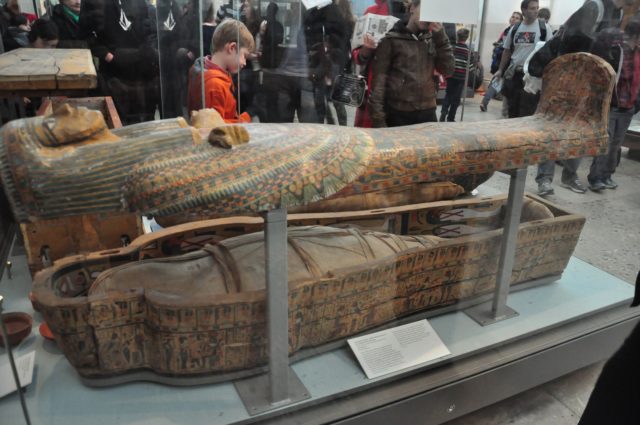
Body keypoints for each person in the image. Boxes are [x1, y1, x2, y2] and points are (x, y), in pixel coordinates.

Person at [369, 0, 454, 127]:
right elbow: (378, 84)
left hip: (428, 112)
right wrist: (378, 121)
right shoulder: (391, 39)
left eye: (431, 13)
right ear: (412, 8)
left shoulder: (434, 40)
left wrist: (441, 39)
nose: (427, 17)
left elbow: (448, 70)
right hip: (398, 113)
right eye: (424, 11)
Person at [79, 0, 160, 124]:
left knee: (146, 117)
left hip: (142, 71)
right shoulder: (97, 3)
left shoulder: (140, 3)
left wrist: (148, 50)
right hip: (114, 71)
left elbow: (150, 30)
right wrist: (107, 55)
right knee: (119, 118)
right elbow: (85, 33)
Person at [588, 18, 640, 191]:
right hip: (613, 105)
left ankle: (607, 175)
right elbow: (607, 76)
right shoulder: (617, 51)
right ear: (636, 35)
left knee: (617, 144)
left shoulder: (638, 53)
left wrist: (636, 102)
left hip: (629, 106)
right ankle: (595, 177)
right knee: (606, 142)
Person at [187, 19, 254, 123]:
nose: (245, 62)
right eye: (244, 56)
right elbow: (216, 128)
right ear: (232, 48)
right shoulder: (215, 85)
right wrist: (246, 117)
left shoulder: (204, 71)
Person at [494, 0, 552, 119]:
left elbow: (550, 52)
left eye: (537, 8)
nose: (536, 11)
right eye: (532, 8)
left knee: (528, 111)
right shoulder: (515, 28)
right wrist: (500, 70)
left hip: (532, 78)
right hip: (515, 74)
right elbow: (507, 50)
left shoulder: (544, 28)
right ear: (524, 10)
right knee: (512, 110)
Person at [481, 11, 523, 113]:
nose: (514, 19)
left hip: (511, 63)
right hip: (502, 62)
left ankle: (486, 102)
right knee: (497, 82)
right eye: (513, 17)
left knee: (498, 83)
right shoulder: (506, 31)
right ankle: (486, 103)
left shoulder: (519, 32)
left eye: (517, 18)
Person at [440, 28, 471, 122]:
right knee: (456, 98)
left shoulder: (453, 48)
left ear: (457, 37)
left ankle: (443, 113)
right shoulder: (468, 51)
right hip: (461, 78)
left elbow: (448, 60)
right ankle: (451, 117)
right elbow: (469, 66)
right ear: (467, 38)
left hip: (451, 76)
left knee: (448, 94)